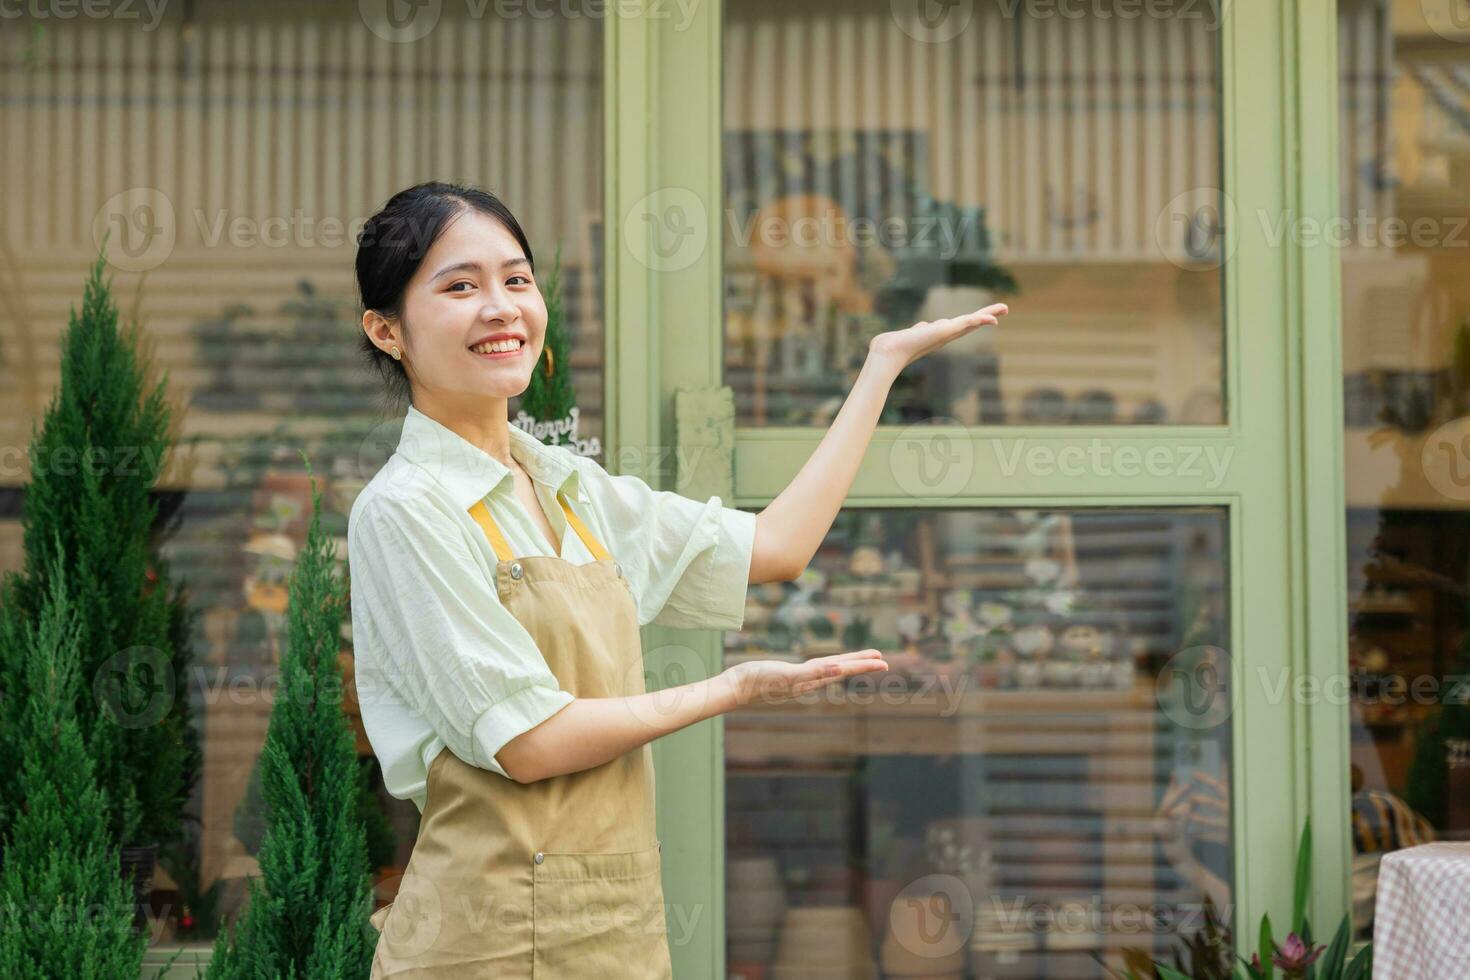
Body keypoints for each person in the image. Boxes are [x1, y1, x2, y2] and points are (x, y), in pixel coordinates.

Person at [348, 180, 1009, 977]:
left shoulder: (571, 489)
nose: (501, 307)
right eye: (460, 286)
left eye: (517, 279)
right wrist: (728, 691)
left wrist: (880, 367)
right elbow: (526, 742)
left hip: (614, 934)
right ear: (387, 331)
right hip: (481, 942)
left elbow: (776, 546)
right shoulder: (406, 509)